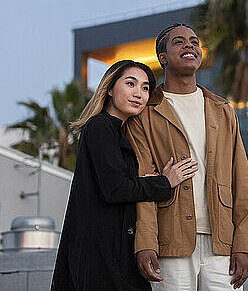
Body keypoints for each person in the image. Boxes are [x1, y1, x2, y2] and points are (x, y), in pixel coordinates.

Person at [125, 24, 248, 291]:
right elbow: (144, 184)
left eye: (194, 41)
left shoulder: (223, 111)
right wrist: (146, 243)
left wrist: (244, 244)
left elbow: (241, 180)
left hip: (222, 243)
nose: (189, 46)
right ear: (162, 57)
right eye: (179, 42)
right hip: (170, 241)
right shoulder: (145, 114)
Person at [51, 60, 198, 291]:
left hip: (115, 253)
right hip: (99, 257)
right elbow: (116, 188)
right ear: (110, 88)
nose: (138, 93)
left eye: (145, 88)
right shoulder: (100, 126)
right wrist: (165, 182)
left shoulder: (120, 132)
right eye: (131, 84)